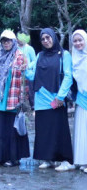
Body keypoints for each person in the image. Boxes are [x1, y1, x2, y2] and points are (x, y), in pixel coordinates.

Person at [26, 28, 74, 172]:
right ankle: (48, 159)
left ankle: (66, 160)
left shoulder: (64, 55)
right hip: (41, 99)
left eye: (48, 37)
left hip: (56, 98)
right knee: (44, 130)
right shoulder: (39, 55)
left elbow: (68, 76)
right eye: (43, 39)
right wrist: (24, 68)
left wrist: (60, 96)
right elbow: (31, 76)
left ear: (53, 37)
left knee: (60, 130)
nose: (46, 41)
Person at [0, 30, 29, 166]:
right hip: (0, 99)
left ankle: (13, 158)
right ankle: (0, 157)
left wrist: (23, 100)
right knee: (1, 129)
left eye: (8, 40)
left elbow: (24, 80)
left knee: (12, 130)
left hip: (13, 98)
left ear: (13, 42)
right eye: (3, 41)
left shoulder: (20, 56)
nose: (6, 43)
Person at [71, 29, 87, 172]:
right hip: (81, 98)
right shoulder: (74, 58)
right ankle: (83, 160)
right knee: (82, 129)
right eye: (75, 41)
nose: (78, 43)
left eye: (80, 40)